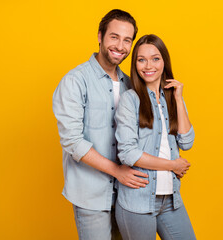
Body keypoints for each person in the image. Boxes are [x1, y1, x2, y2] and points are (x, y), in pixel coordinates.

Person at [52, 9, 149, 240]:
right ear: (100, 36)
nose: (120, 46)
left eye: (127, 40)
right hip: (91, 194)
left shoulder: (131, 84)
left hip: (128, 194)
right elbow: (72, 141)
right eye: (114, 37)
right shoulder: (75, 81)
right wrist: (117, 171)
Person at [114, 34, 196, 240]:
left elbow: (186, 142)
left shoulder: (173, 98)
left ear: (164, 61)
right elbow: (128, 153)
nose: (148, 65)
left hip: (171, 200)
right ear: (135, 64)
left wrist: (178, 99)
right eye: (141, 59)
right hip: (137, 201)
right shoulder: (129, 100)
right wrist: (172, 165)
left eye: (155, 58)